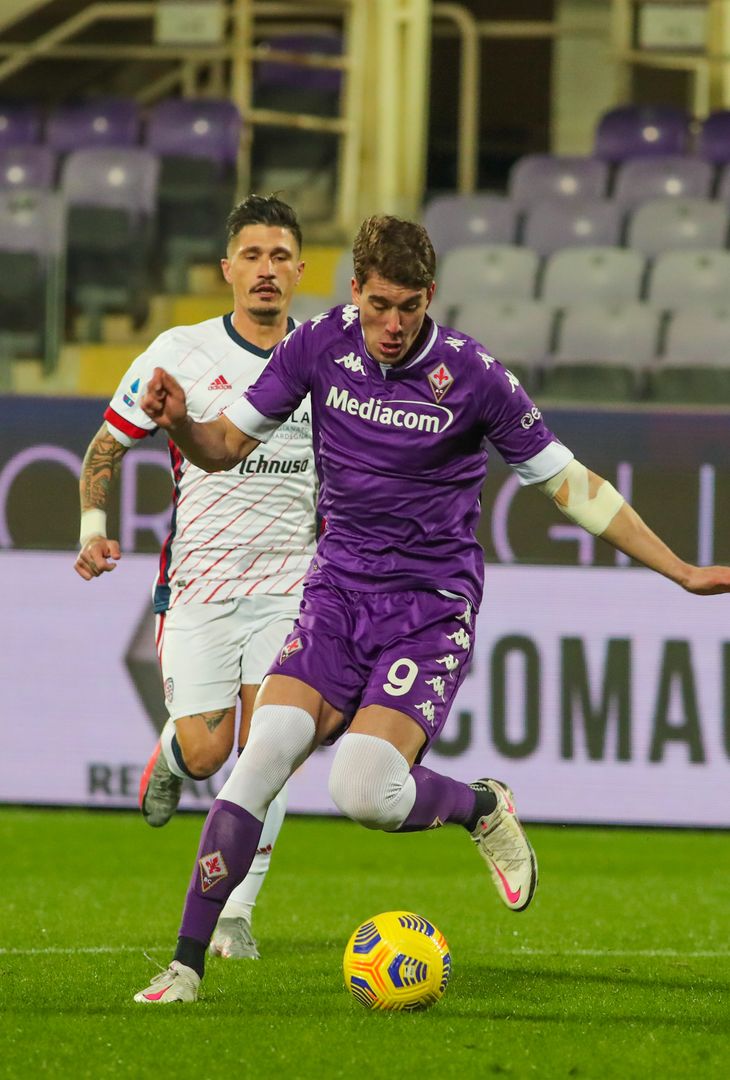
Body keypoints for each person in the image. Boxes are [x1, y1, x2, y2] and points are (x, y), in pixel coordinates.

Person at [132, 214, 730, 1004]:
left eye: (408, 307)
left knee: (364, 792)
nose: (391, 324)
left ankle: (481, 806)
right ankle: (185, 966)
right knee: (263, 751)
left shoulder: (474, 377)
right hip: (336, 594)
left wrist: (680, 571)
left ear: (430, 297)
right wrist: (176, 420)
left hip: (427, 606)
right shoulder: (316, 347)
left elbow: (571, 485)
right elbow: (222, 447)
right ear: (355, 292)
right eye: (378, 304)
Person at [75, 194, 317, 960]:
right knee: (211, 753)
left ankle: (239, 909)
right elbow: (105, 447)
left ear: (301, 270)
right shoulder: (176, 352)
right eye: (252, 256)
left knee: (271, 744)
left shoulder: (321, 359)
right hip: (201, 586)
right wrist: (92, 531)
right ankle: (173, 757)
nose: (267, 271)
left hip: (294, 583)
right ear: (227, 270)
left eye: (280, 257)